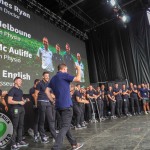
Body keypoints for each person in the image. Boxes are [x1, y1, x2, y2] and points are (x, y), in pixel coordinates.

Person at [45, 63, 83, 150]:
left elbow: (47, 91)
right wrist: (79, 68)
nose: (67, 71)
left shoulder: (53, 78)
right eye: (67, 70)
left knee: (65, 126)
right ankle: (56, 147)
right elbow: (78, 79)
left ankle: (74, 144)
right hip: (66, 106)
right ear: (64, 69)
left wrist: (52, 100)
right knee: (65, 126)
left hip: (58, 106)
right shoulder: (64, 75)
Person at [34, 72, 56, 143]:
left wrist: (54, 100)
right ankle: (42, 137)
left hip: (48, 102)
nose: (47, 77)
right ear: (43, 76)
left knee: (51, 119)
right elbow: (35, 94)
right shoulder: (39, 84)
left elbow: (52, 94)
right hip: (41, 102)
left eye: (48, 76)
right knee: (42, 120)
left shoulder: (49, 84)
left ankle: (54, 136)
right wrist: (36, 104)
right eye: (46, 76)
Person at [8, 77, 29, 150]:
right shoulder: (12, 90)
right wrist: (19, 102)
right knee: (15, 126)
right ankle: (13, 144)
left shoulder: (20, 90)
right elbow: (9, 101)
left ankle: (19, 141)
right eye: (19, 81)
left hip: (21, 109)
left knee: (21, 125)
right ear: (15, 81)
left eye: (21, 81)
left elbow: (22, 100)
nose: (21, 82)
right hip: (15, 109)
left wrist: (25, 100)